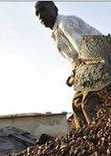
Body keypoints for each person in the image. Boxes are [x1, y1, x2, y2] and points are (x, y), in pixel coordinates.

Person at [35, 1, 104, 129]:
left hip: (99, 61)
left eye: (43, 10)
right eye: (37, 14)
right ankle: (85, 137)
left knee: (88, 104)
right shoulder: (57, 32)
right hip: (85, 68)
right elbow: (76, 58)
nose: (40, 16)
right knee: (76, 104)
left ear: (55, 9)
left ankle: (101, 135)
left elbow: (85, 50)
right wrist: (73, 75)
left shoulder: (64, 24)